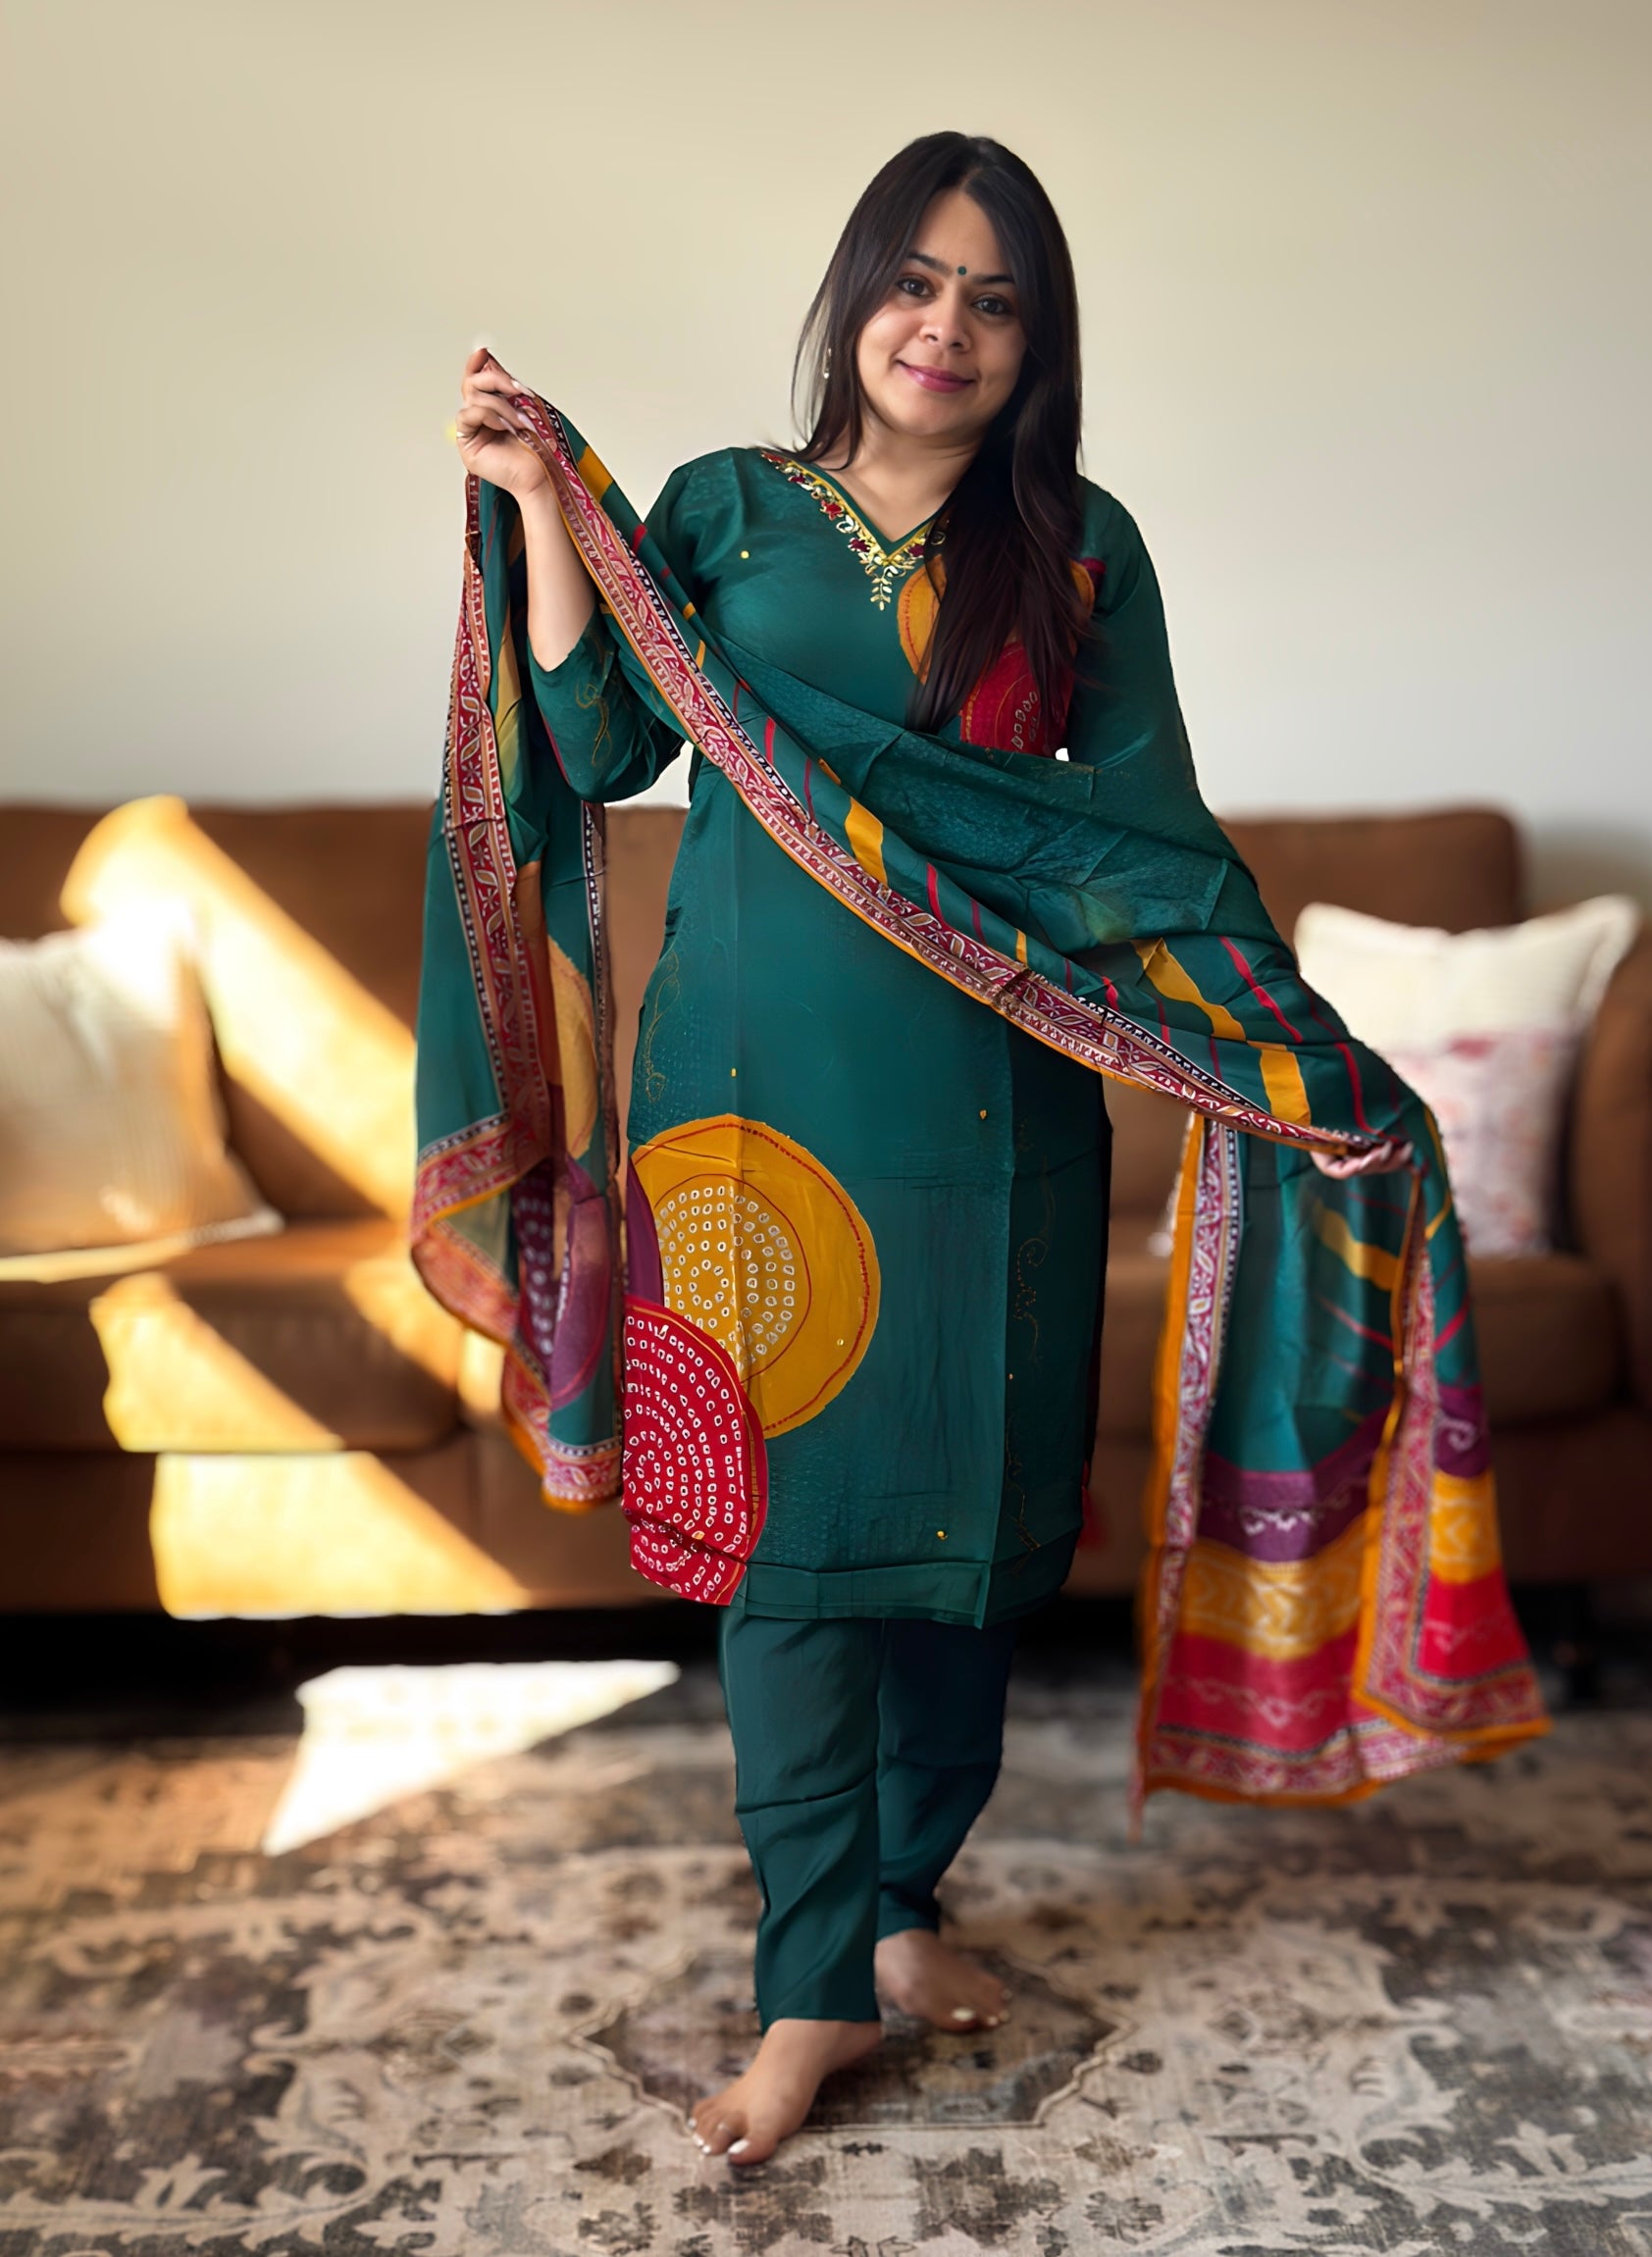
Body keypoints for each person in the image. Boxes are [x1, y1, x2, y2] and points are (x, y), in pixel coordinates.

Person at [425, 130, 1546, 2168]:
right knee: (781, 1548)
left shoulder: (1079, 545)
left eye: (997, 296)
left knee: (972, 1537)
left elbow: (1138, 842)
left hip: (1000, 1113)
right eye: (917, 280)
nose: (947, 325)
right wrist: (537, 516)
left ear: (1039, 343)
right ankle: (806, 1984)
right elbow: (598, 755)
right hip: (749, 1121)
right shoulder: (723, 511)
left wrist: (1296, 1058)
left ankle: (909, 1902)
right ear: (856, 294)